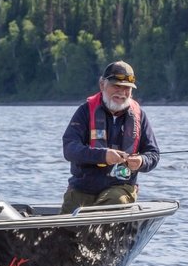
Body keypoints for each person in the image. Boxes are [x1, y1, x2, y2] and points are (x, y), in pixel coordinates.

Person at [61, 60, 160, 214]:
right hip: (83, 186)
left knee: (115, 201)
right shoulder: (85, 112)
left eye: (127, 88)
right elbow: (69, 149)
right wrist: (103, 155)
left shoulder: (139, 116)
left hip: (121, 187)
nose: (121, 93)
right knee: (70, 210)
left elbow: (153, 154)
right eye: (116, 86)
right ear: (102, 85)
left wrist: (141, 161)